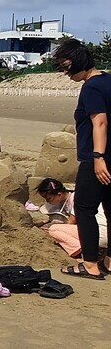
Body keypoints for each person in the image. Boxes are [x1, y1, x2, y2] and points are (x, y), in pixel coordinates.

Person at [51, 39, 111, 279]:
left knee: (85, 209)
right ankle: (109, 259)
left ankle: (90, 264)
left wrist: (97, 157)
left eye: (67, 67)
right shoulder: (108, 80)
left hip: (96, 159)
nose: (66, 73)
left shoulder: (92, 87)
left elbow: (100, 122)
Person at [37, 178, 108, 259]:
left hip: (99, 233)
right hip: (104, 231)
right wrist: (44, 221)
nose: (48, 201)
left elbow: (71, 222)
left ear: (59, 194)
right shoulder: (72, 198)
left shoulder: (75, 199)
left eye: (49, 198)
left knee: (53, 229)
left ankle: (80, 251)